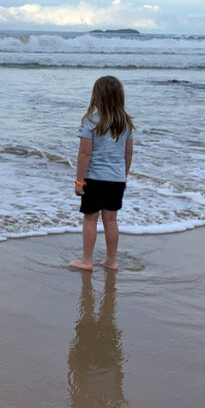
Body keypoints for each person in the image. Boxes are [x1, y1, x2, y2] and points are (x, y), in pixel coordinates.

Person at [69, 75, 134, 271]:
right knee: (111, 220)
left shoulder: (91, 121)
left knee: (90, 218)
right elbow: (128, 153)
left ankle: (87, 260)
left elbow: (85, 153)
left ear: (96, 96)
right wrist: (124, 176)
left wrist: (79, 181)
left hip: (95, 178)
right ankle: (111, 260)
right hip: (116, 179)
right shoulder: (126, 123)